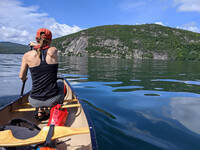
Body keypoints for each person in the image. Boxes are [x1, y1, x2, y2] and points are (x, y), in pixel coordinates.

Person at [19, 28, 64, 121]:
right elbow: (45, 48)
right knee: (61, 83)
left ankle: (40, 110)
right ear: (50, 40)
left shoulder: (27, 55)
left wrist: (24, 78)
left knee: (37, 90)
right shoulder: (53, 51)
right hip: (53, 99)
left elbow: (21, 76)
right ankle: (55, 108)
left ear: (36, 39)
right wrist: (37, 45)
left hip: (34, 101)